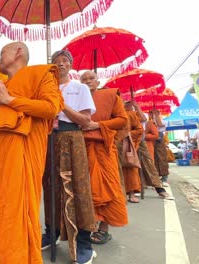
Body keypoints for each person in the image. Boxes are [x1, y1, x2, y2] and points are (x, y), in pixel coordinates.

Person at [0, 42, 63, 264]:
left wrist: (8, 99)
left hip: (22, 158)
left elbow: (50, 108)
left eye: (2, 52)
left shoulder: (40, 74)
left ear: (18, 53)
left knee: (15, 215)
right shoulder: (3, 85)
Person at [40, 51, 96, 264]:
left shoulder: (79, 87)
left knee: (78, 187)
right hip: (48, 140)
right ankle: (51, 232)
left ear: (71, 65)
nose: (60, 64)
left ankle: (83, 241)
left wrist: (61, 104)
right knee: (50, 187)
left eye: (65, 61)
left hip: (72, 137)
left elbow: (85, 120)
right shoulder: (46, 89)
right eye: (56, 61)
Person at [80, 71, 129, 246]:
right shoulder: (77, 98)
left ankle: (104, 228)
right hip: (82, 149)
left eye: (91, 78)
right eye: (84, 79)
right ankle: (89, 224)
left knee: (108, 188)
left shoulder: (109, 95)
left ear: (97, 81)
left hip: (104, 148)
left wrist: (98, 125)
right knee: (87, 188)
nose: (88, 82)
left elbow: (122, 120)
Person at [129, 101, 173, 199]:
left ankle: (160, 188)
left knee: (149, 164)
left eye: (128, 103)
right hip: (127, 141)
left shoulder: (145, 118)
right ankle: (132, 191)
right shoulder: (122, 113)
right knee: (129, 165)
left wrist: (136, 107)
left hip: (142, 142)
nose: (127, 105)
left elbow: (144, 120)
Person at [121, 102, 144, 204]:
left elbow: (139, 130)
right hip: (112, 143)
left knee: (130, 168)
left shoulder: (131, 114)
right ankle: (119, 194)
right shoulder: (110, 114)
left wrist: (127, 135)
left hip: (126, 143)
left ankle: (131, 193)